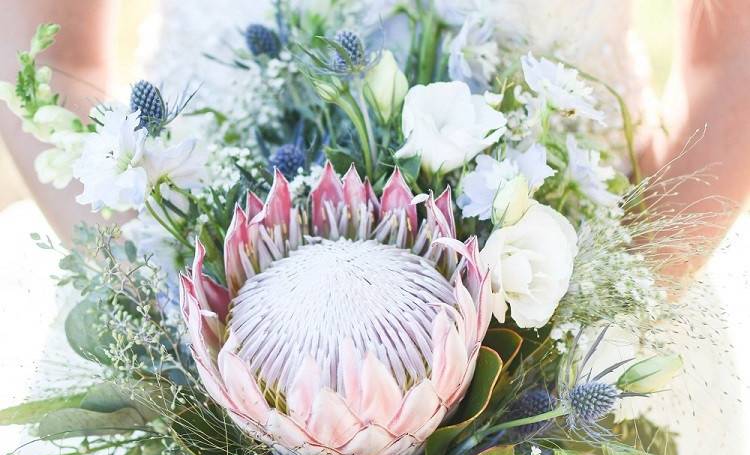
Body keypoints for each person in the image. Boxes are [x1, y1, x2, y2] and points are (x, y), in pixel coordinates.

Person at [1, 0, 748, 258]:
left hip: (574, 276)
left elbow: (730, 48)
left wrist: (624, 301)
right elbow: (42, 50)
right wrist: (166, 303)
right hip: (189, 277)